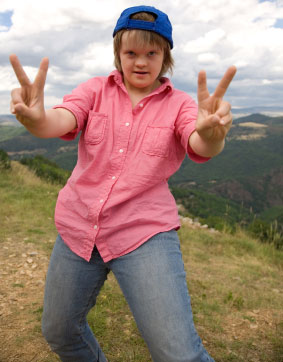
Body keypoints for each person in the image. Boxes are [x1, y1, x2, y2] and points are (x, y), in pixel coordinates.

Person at [10, 5, 236, 362]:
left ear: (166, 56)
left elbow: (199, 141)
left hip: (144, 233)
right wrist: (37, 120)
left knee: (178, 354)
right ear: (118, 53)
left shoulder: (179, 105)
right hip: (79, 227)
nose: (141, 62)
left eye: (152, 52)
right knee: (59, 332)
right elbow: (59, 120)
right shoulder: (94, 90)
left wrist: (212, 134)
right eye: (131, 52)